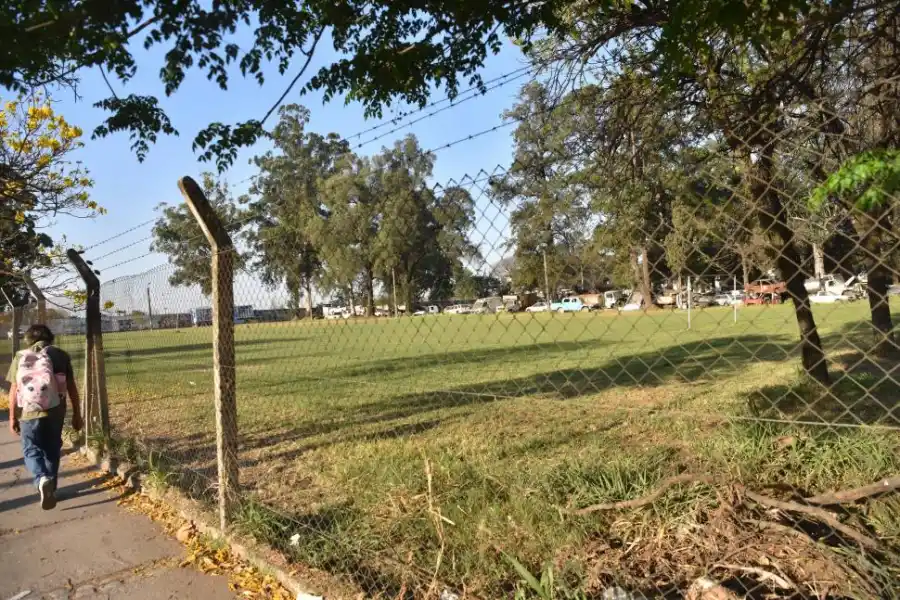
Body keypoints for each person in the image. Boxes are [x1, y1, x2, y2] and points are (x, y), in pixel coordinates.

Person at [7, 324, 83, 509]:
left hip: (29, 410)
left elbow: (14, 389)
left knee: (31, 448)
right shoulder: (60, 355)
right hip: (56, 410)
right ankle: (51, 487)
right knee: (52, 448)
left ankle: (41, 479)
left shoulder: (20, 356)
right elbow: (71, 386)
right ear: (51, 337)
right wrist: (77, 414)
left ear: (28, 339)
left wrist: (12, 417)